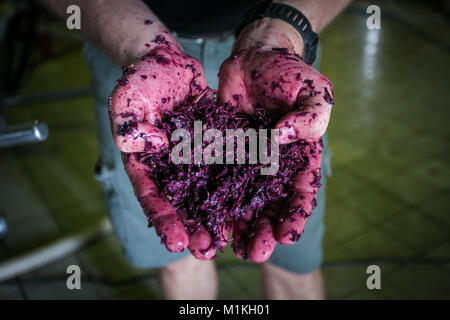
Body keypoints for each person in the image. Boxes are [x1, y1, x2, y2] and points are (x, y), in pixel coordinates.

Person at [42, 0, 351, 299]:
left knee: (294, 266)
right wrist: (144, 48)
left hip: (277, 68)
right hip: (129, 54)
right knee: (179, 262)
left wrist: (284, 28)